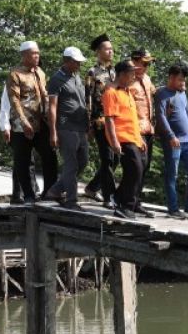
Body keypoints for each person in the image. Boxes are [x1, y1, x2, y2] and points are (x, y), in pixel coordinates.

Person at [7, 40, 57, 202]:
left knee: (50, 155)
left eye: (38, 53)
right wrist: (24, 122)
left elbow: (45, 96)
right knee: (23, 160)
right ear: (24, 55)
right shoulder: (15, 74)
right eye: (33, 53)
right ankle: (28, 194)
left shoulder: (40, 72)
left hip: (41, 122)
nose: (37, 56)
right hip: (22, 125)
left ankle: (49, 192)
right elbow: (14, 101)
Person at [155, 63, 188, 219]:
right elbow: (161, 116)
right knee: (172, 174)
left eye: (184, 80)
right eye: (180, 80)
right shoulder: (162, 94)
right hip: (173, 141)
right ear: (171, 77)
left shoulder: (182, 93)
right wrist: (170, 136)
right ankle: (173, 208)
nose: (183, 83)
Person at [102, 61, 151, 220]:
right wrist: (114, 141)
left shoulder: (127, 92)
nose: (134, 76)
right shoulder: (111, 92)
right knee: (135, 169)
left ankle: (122, 198)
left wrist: (140, 139)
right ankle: (125, 206)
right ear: (122, 74)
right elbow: (109, 120)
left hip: (134, 138)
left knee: (140, 168)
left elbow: (133, 119)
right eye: (131, 73)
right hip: (122, 137)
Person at [45, 47, 90, 210]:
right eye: (76, 62)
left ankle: (56, 190)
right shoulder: (56, 80)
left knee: (83, 161)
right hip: (66, 127)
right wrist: (53, 132)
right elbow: (52, 107)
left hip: (80, 127)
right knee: (71, 165)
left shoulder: (77, 76)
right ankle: (71, 201)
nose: (79, 64)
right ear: (67, 61)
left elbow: (83, 101)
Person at [83, 33, 117, 205]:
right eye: (107, 49)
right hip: (100, 121)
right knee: (107, 158)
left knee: (116, 158)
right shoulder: (92, 72)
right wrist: (88, 125)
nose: (110, 51)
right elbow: (88, 99)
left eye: (112, 49)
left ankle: (92, 187)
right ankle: (108, 196)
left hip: (116, 122)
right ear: (98, 51)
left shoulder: (116, 71)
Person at [129, 49, 157, 181]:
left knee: (145, 166)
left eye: (148, 64)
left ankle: (135, 199)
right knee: (138, 165)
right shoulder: (127, 80)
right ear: (134, 61)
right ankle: (122, 197)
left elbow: (154, 92)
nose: (146, 67)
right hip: (135, 129)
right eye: (144, 63)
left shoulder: (147, 79)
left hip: (149, 128)